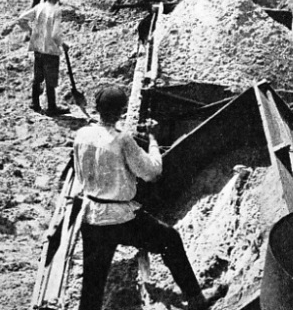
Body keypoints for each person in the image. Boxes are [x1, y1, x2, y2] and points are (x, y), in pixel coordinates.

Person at [73, 85, 220, 310]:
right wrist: (152, 141)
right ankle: (196, 298)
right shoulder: (123, 141)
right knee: (170, 240)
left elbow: (101, 144)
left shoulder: (82, 135)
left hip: (91, 216)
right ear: (121, 112)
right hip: (120, 219)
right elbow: (152, 173)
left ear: (98, 109)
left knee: (93, 281)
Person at [16, 0, 70, 116]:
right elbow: (55, 34)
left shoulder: (39, 7)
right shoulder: (56, 11)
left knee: (38, 77)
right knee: (50, 79)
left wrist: (30, 31)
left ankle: (35, 103)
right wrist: (63, 44)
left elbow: (21, 19)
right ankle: (52, 107)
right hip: (50, 49)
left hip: (37, 47)